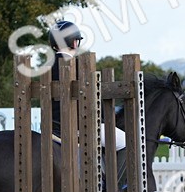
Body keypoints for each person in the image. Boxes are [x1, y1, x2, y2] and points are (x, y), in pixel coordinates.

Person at [48, 20, 126, 151]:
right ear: (74, 42)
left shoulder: (46, 67)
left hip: (52, 128)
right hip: (81, 127)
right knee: (127, 141)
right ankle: (117, 172)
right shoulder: (79, 66)